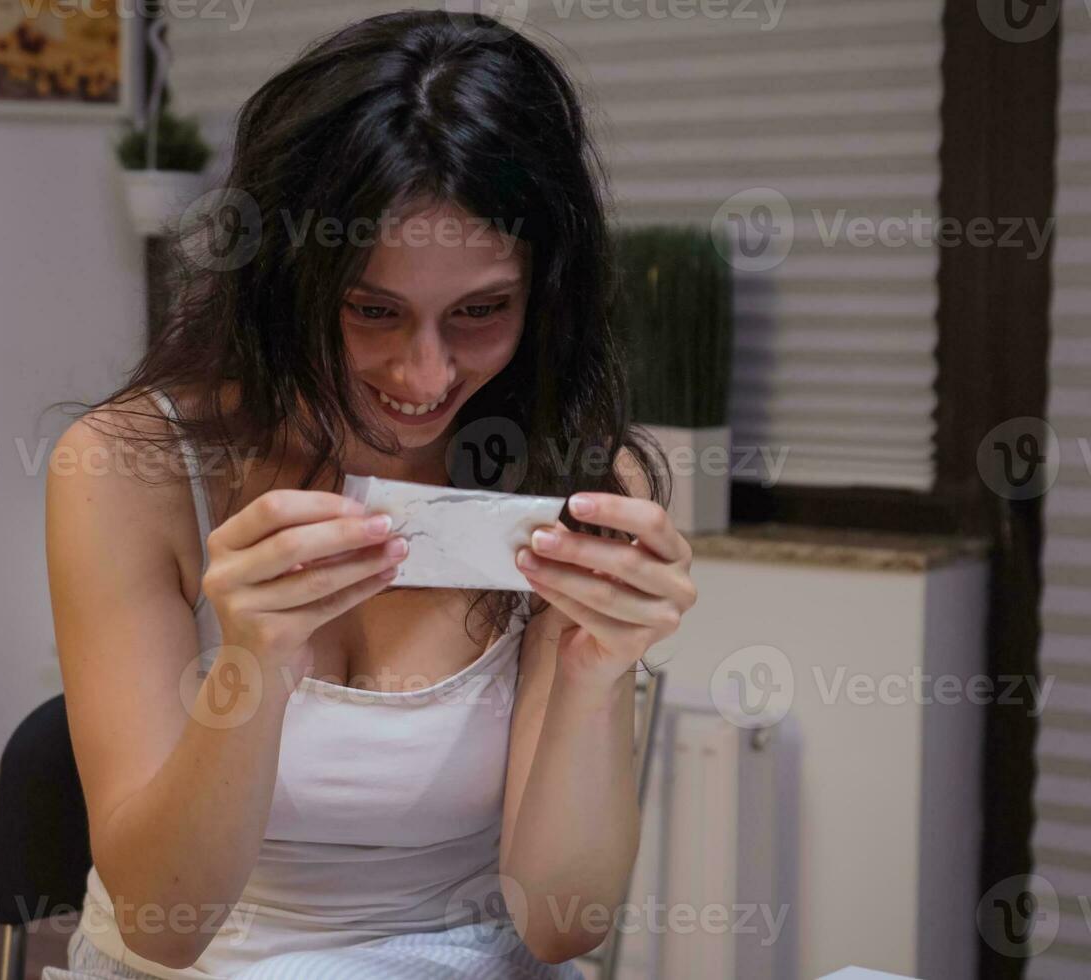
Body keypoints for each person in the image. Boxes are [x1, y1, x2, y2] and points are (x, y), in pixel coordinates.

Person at [43, 10, 697, 978]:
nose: (424, 375)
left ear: (544, 293)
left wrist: (597, 679)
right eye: (370, 309)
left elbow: (562, 922)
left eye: (479, 312)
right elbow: (161, 921)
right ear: (281, 284)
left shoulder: (579, 482)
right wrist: (253, 665)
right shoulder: (125, 468)